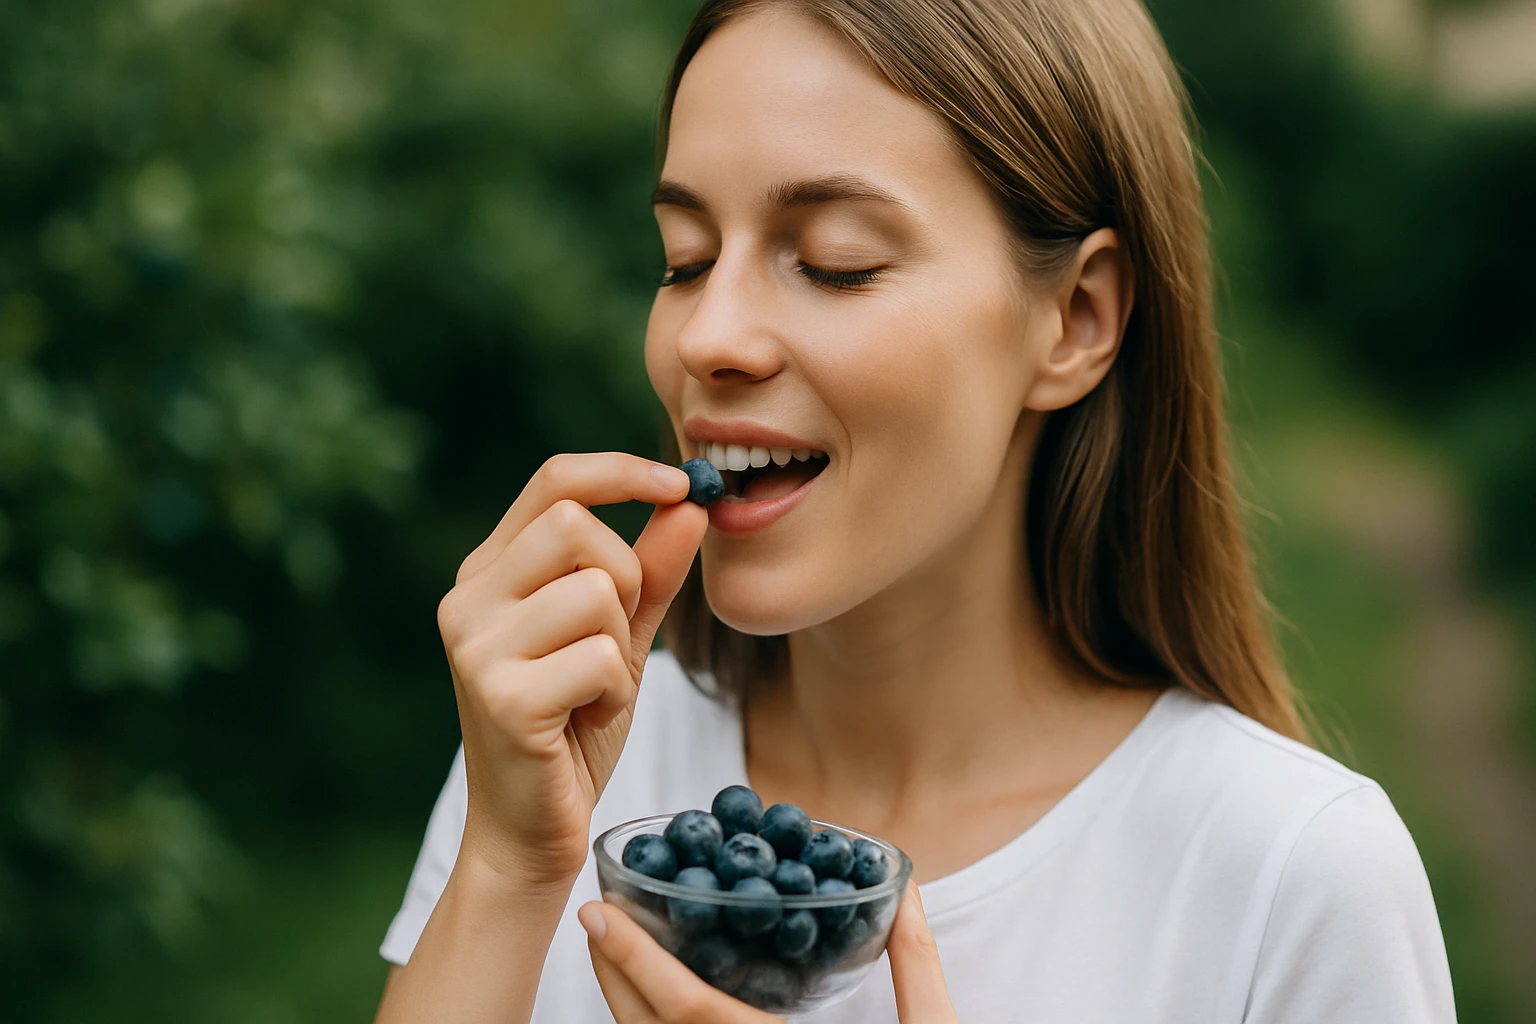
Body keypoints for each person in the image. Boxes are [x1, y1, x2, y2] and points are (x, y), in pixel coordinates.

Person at [372, 0, 1456, 1021]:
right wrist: (507, 869)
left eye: (836, 264)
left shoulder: (1292, 878)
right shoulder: (563, 765)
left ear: (1073, 319)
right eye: (685, 259)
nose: (707, 338)